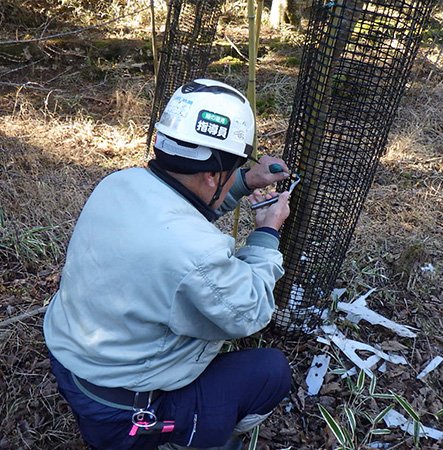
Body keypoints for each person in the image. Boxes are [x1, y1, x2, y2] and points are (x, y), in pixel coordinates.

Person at [43, 79, 293, 450]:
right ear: (211, 175)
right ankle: (175, 439)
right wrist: (267, 232)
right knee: (270, 373)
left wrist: (241, 181)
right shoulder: (197, 253)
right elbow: (250, 311)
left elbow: (179, 217)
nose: (241, 171)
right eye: (238, 165)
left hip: (75, 368)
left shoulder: (119, 183)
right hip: (124, 413)